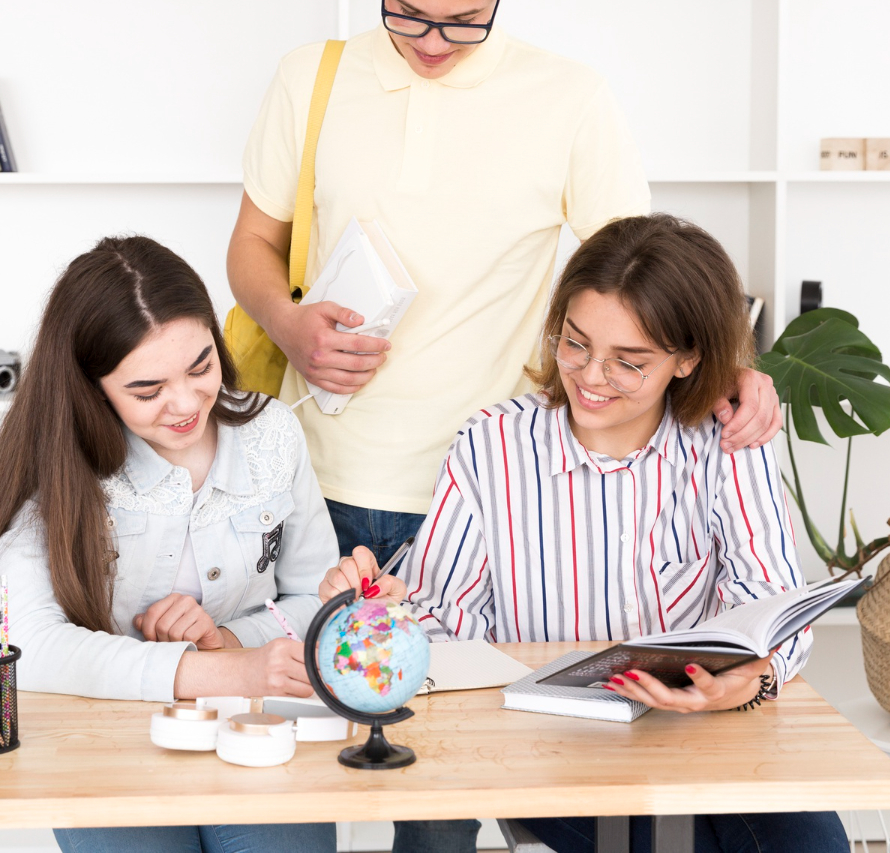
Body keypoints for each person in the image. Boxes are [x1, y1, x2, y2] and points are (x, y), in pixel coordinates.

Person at [227, 0, 781, 579]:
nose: (430, 43)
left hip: (497, 484)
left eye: (463, 22)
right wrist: (288, 323)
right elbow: (252, 243)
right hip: (313, 474)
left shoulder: (571, 100)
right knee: (314, 686)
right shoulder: (310, 79)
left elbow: (647, 277)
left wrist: (734, 369)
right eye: (407, 13)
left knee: (477, 690)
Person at [321, 214, 849, 853]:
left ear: (687, 360)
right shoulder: (493, 444)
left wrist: (752, 679)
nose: (591, 378)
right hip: (553, 746)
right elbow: (445, 618)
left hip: (706, 730)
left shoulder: (728, 442)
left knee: (814, 844)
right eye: (575, 344)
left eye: (629, 363)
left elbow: (772, 606)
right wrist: (385, 610)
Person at [0, 236, 338, 853]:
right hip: (103, 741)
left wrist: (229, 640)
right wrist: (215, 669)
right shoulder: (59, 463)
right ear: (93, 387)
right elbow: (27, 646)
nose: (188, 403)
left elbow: (313, 597)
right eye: (147, 391)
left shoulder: (272, 433)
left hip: (253, 731)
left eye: (201, 366)